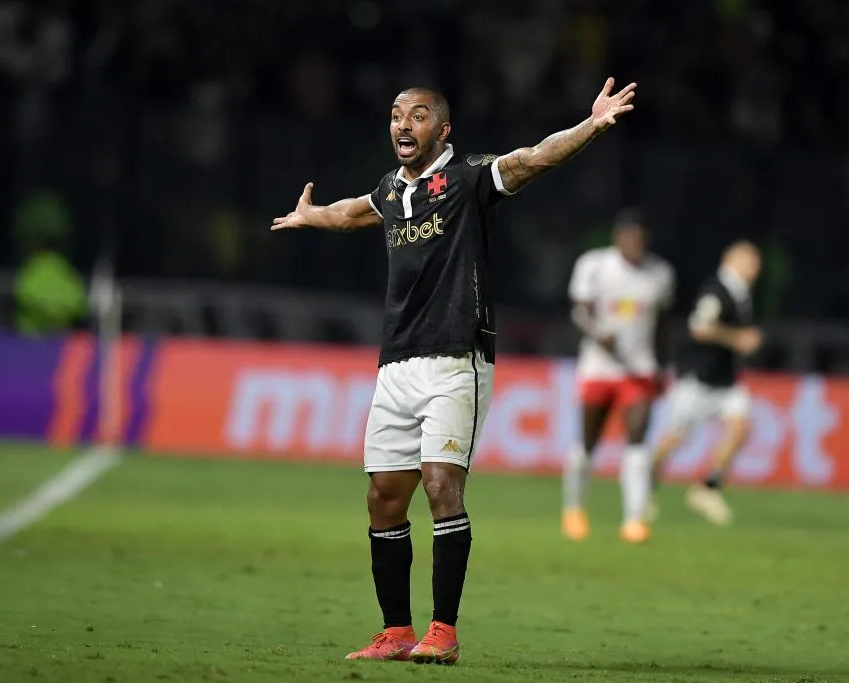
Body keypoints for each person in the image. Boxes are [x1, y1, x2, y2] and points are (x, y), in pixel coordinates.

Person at [272, 78, 637, 665]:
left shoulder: (469, 178)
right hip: (396, 361)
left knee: (442, 484)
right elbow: (353, 213)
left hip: (455, 357)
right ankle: (395, 631)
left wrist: (590, 126)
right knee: (383, 495)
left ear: (442, 130)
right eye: (395, 115)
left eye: (416, 116)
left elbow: (534, 159)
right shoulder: (392, 189)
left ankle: (443, 631)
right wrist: (312, 216)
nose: (402, 125)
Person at [562, 211, 674, 544]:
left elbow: (663, 325)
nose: (633, 244)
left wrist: (663, 366)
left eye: (638, 238)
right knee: (587, 443)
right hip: (598, 367)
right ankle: (574, 509)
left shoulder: (660, 274)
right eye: (628, 237)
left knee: (637, 439)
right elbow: (579, 311)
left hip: (638, 370)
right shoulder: (594, 266)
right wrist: (599, 333)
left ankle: (634, 520)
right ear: (617, 238)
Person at [649, 241, 763, 525]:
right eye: (749, 261)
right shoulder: (717, 290)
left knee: (740, 428)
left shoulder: (740, 293)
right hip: (699, 379)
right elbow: (700, 327)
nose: (755, 268)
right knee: (676, 437)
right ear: (730, 260)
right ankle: (644, 483)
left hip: (726, 381)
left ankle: (707, 488)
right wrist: (737, 339)